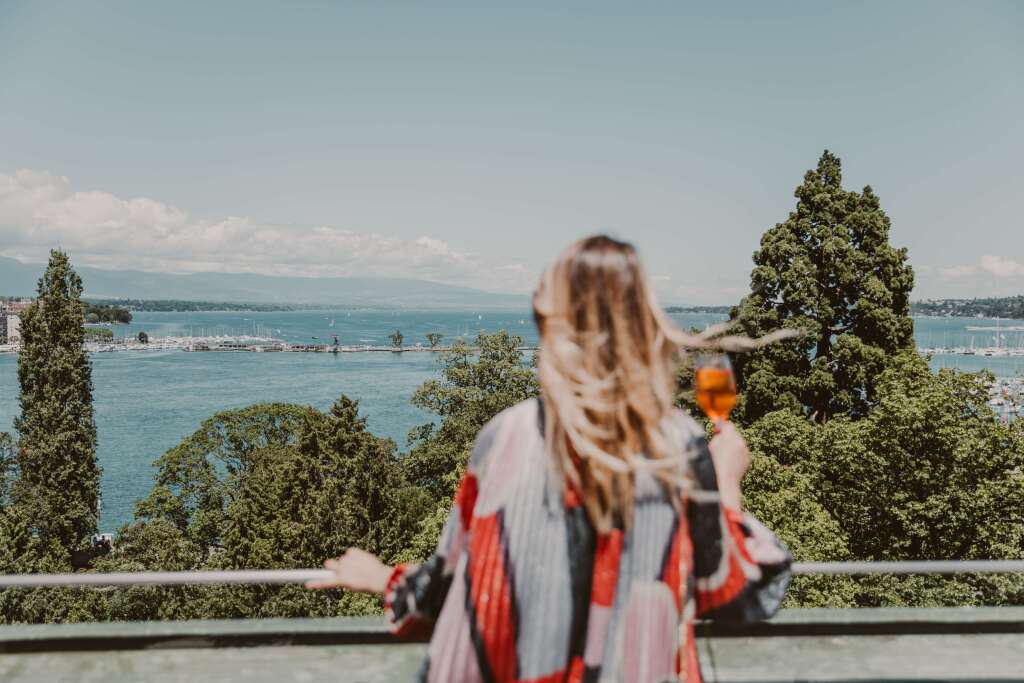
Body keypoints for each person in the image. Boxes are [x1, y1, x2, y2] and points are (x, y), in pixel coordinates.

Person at [308, 235, 791, 682]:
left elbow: (448, 590)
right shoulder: (678, 444)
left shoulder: (506, 436)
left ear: (546, 322)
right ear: (644, 325)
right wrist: (727, 480)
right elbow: (739, 595)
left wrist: (382, 579)